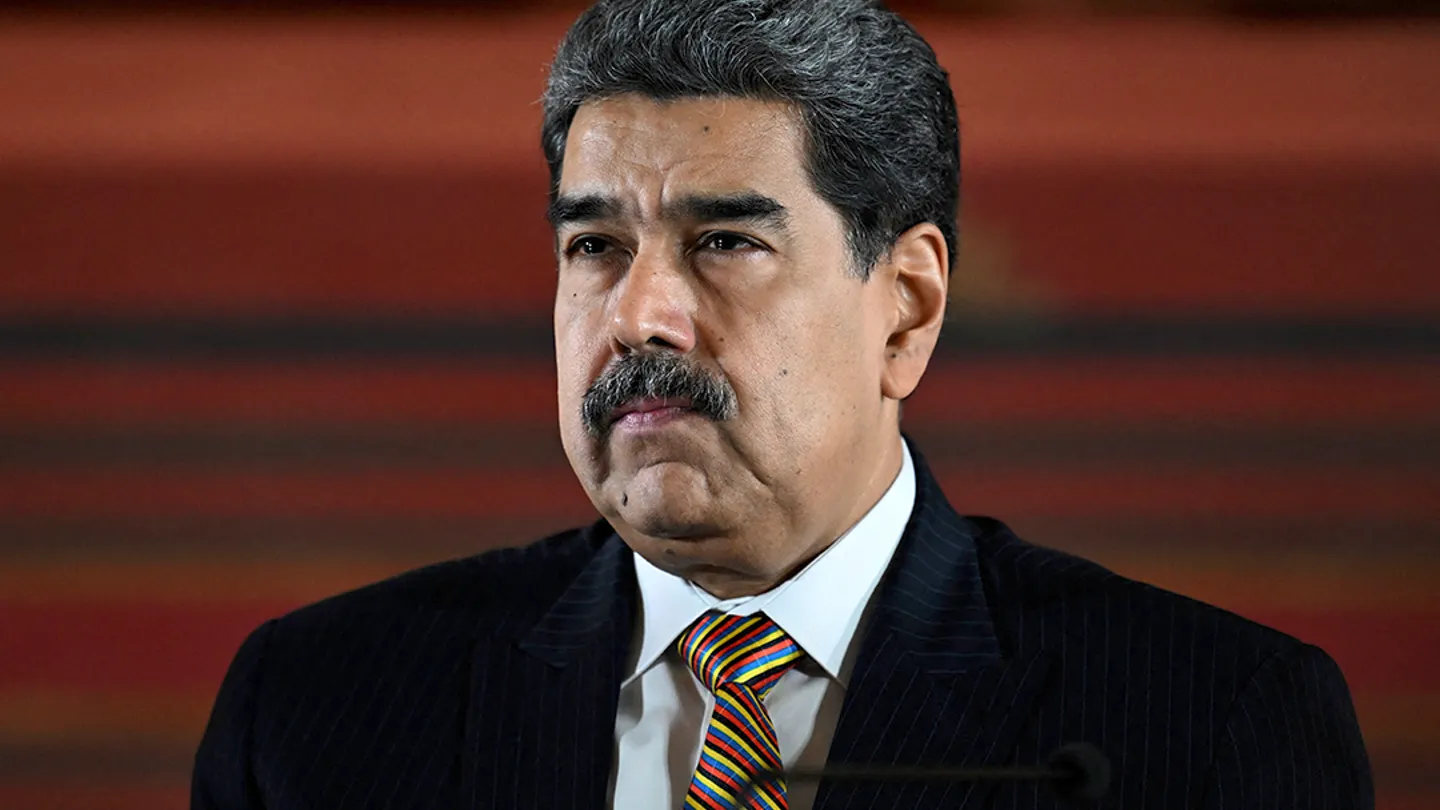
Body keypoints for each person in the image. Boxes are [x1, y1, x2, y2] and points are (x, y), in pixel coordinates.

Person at [192, 1, 1373, 808]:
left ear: (904, 309)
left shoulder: (1207, 726)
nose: (640, 314)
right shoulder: (318, 710)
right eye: (595, 243)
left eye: (725, 240)